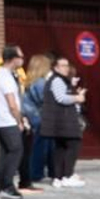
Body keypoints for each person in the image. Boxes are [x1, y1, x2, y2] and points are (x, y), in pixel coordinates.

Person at [41, 56, 87, 188]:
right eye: (63, 65)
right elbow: (61, 98)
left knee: (60, 148)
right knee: (73, 145)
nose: (66, 68)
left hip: (60, 121)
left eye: (67, 65)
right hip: (63, 121)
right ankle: (67, 175)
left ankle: (58, 177)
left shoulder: (60, 80)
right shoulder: (57, 80)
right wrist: (77, 98)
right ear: (56, 67)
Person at [0, 45, 27, 198]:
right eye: (21, 57)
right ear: (13, 59)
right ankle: (7, 185)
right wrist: (20, 120)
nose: (22, 60)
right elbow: (12, 103)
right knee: (16, 151)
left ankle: (2, 185)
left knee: (5, 153)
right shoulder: (5, 77)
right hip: (8, 120)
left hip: (1, 120)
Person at [22, 54, 54, 186]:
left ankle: (37, 171)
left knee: (38, 145)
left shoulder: (31, 82)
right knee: (41, 146)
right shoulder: (41, 83)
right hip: (40, 117)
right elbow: (45, 100)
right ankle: (37, 172)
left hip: (32, 116)